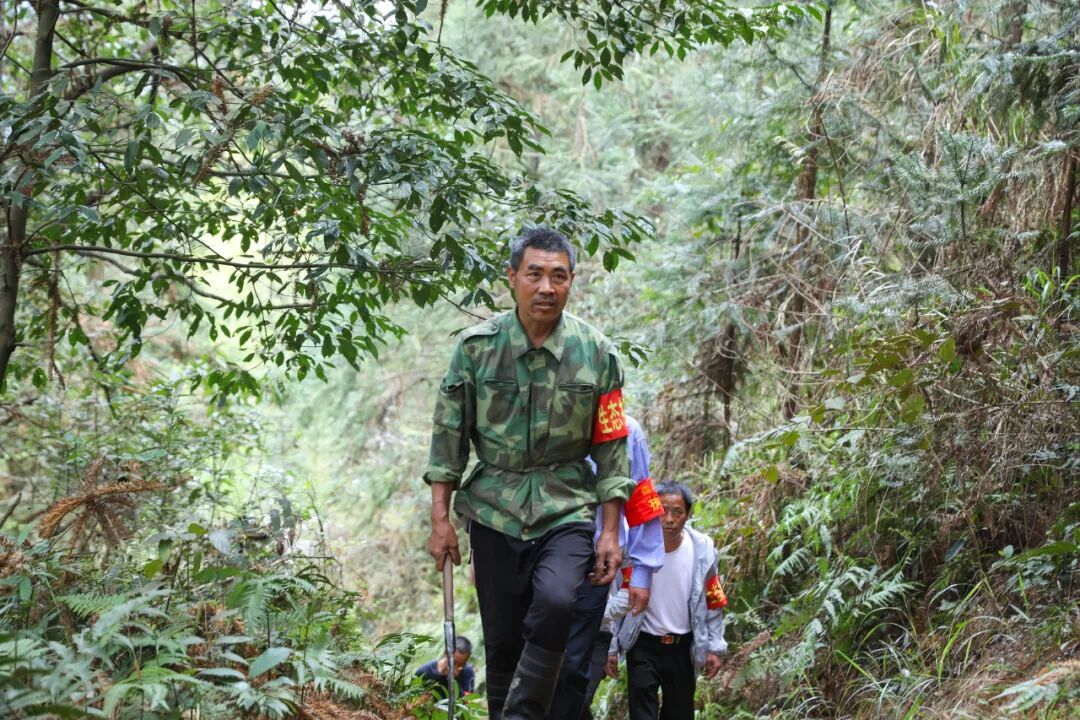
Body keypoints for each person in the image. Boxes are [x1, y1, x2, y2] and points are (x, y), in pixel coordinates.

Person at [424, 227, 636, 720]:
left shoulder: (598, 354)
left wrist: (609, 531)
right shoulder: (476, 350)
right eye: (534, 274)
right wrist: (440, 519)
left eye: (558, 276)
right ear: (513, 277)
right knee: (500, 637)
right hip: (494, 508)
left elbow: (611, 447)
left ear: (571, 281)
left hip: (567, 504)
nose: (546, 287)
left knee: (560, 600)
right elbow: (448, 440)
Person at [548, 414, 664, 720]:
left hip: (597, 566)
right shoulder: (539, 413)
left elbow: (641, 495)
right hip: (538, 558)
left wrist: (642, 571)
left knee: (574, 669)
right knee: (534, 663)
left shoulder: (626, 429)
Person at [604, 481, 729, 720]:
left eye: (677, 512)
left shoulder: (701, 550)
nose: (669, 519)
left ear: (688, 515)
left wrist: (715, 647)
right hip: (642, 644)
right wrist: (610, 647)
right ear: (653, 511)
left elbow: (713, 599)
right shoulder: (632, 549)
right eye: (662, 511)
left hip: (683, 648)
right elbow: (615, 597)